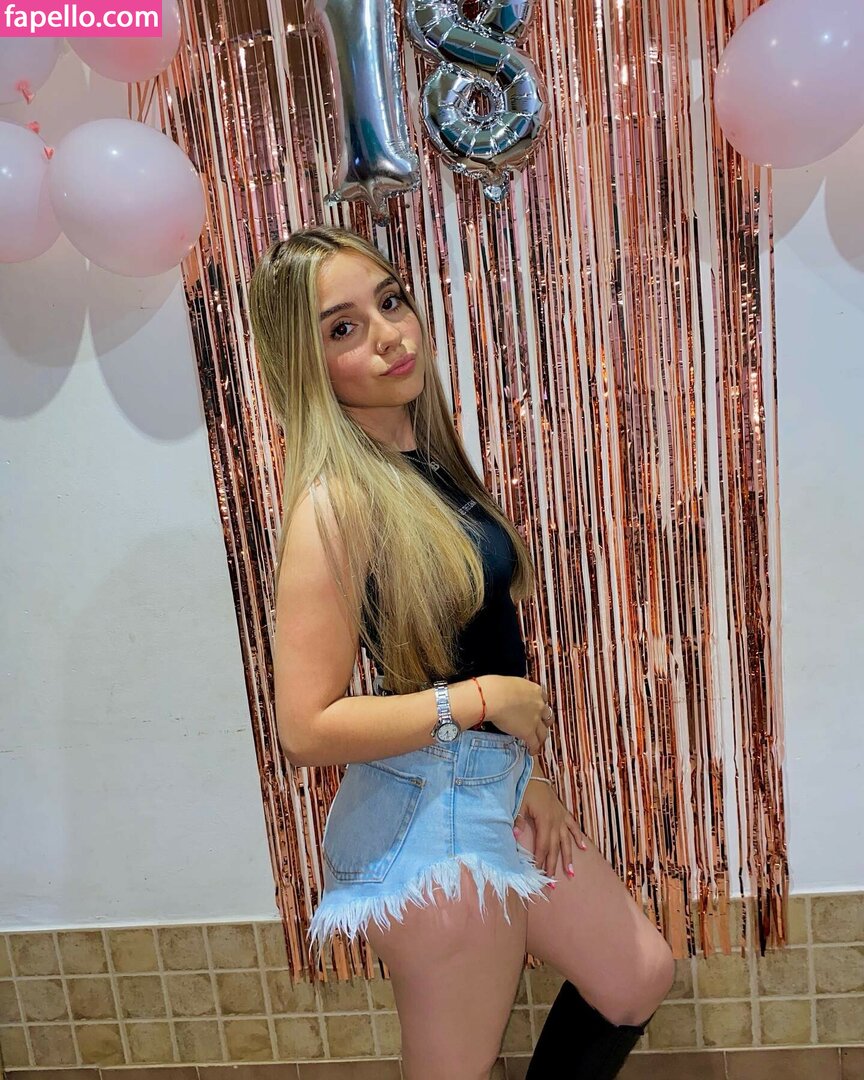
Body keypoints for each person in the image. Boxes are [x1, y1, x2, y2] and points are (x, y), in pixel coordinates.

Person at [248, 225, 675, 1079]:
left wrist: (523, 772)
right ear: (307, 361)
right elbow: (305, 726)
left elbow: (454, 643)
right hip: (427, 814)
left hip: (488, 784)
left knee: (635, 977)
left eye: (391, 301)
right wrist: (481, 703)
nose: (388, 335)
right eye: (344, 327)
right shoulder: (337, 503)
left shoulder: (428, 467)